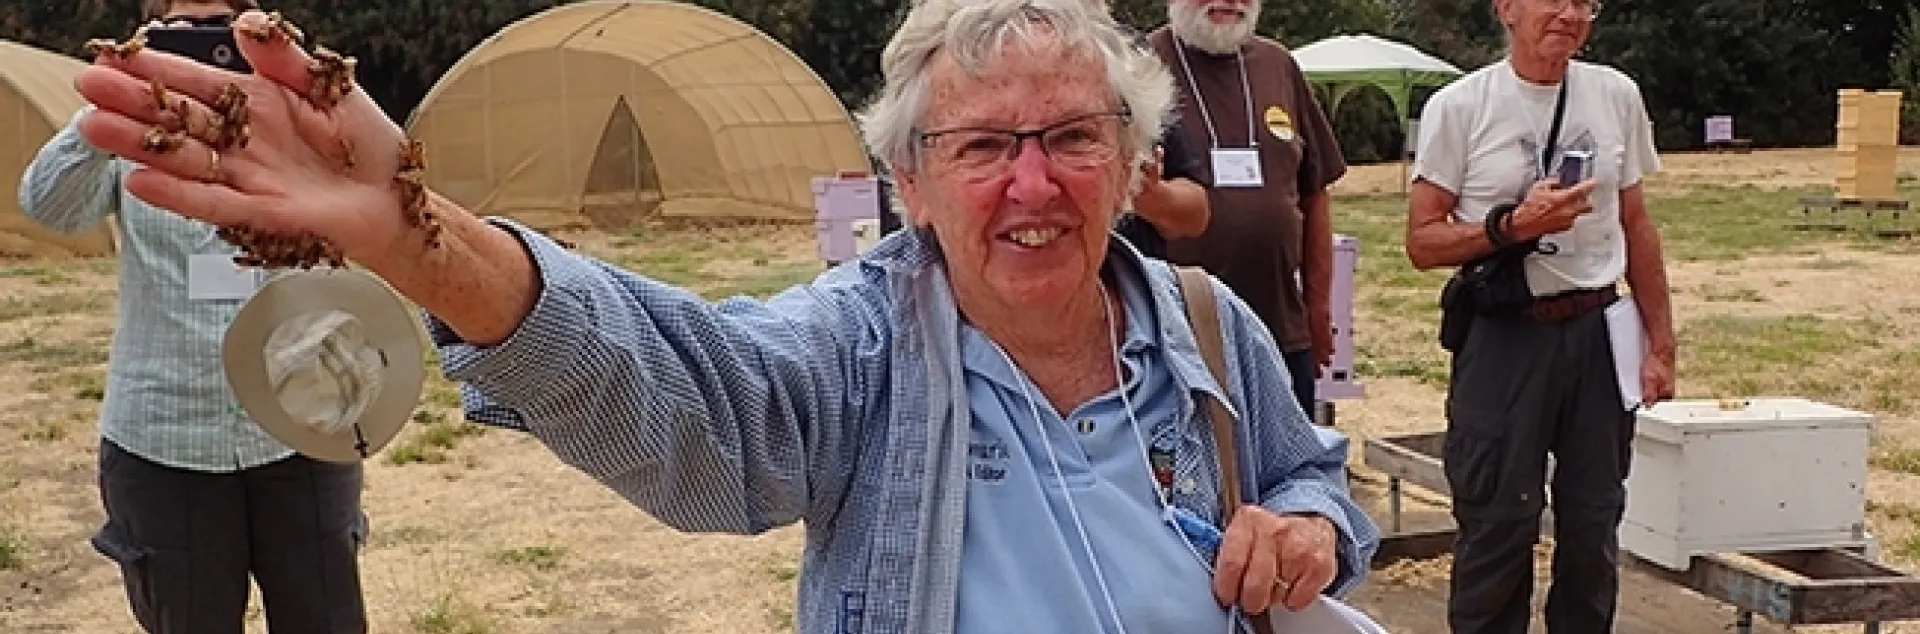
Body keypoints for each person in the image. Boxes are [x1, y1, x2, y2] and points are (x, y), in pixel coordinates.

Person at [64, 0, 1384, 632]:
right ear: (908, 183)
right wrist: (424, 238)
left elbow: (1314, 476)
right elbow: (695, 397)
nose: (1032, 183)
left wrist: (1315, 525)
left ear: (1130, 155)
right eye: (982, 146)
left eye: (1071, 139)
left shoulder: (1207, 327)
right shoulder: (863, 350)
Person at [15, 1, 371, 633]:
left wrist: (301, 83)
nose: (199, 46)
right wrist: (117, 93)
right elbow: (47, 206)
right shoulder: (129, 131)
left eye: (216, 27)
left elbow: (372, 192)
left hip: (299, 422)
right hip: (165, 436)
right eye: (181, 29)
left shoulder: (291, 117)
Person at [1402, 0, 1676, 633]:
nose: (1568, 14)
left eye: (1584, 2)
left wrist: (1660, 346)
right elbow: (1421, 241)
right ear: (1506, 8)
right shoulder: (1461, 106)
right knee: (1498, 519)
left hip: (1599, 332)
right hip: (1506, 336)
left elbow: (1636, 225)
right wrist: (1512, 226)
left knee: (1593, 522)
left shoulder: (1615, 94)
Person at [1145, 0, 1347, 419]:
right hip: (1175, 335)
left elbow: (1314, 193)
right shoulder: (1140, 68)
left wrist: (1319, 307)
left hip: (1280, 330)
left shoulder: (1278, 65)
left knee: (1292, 476)